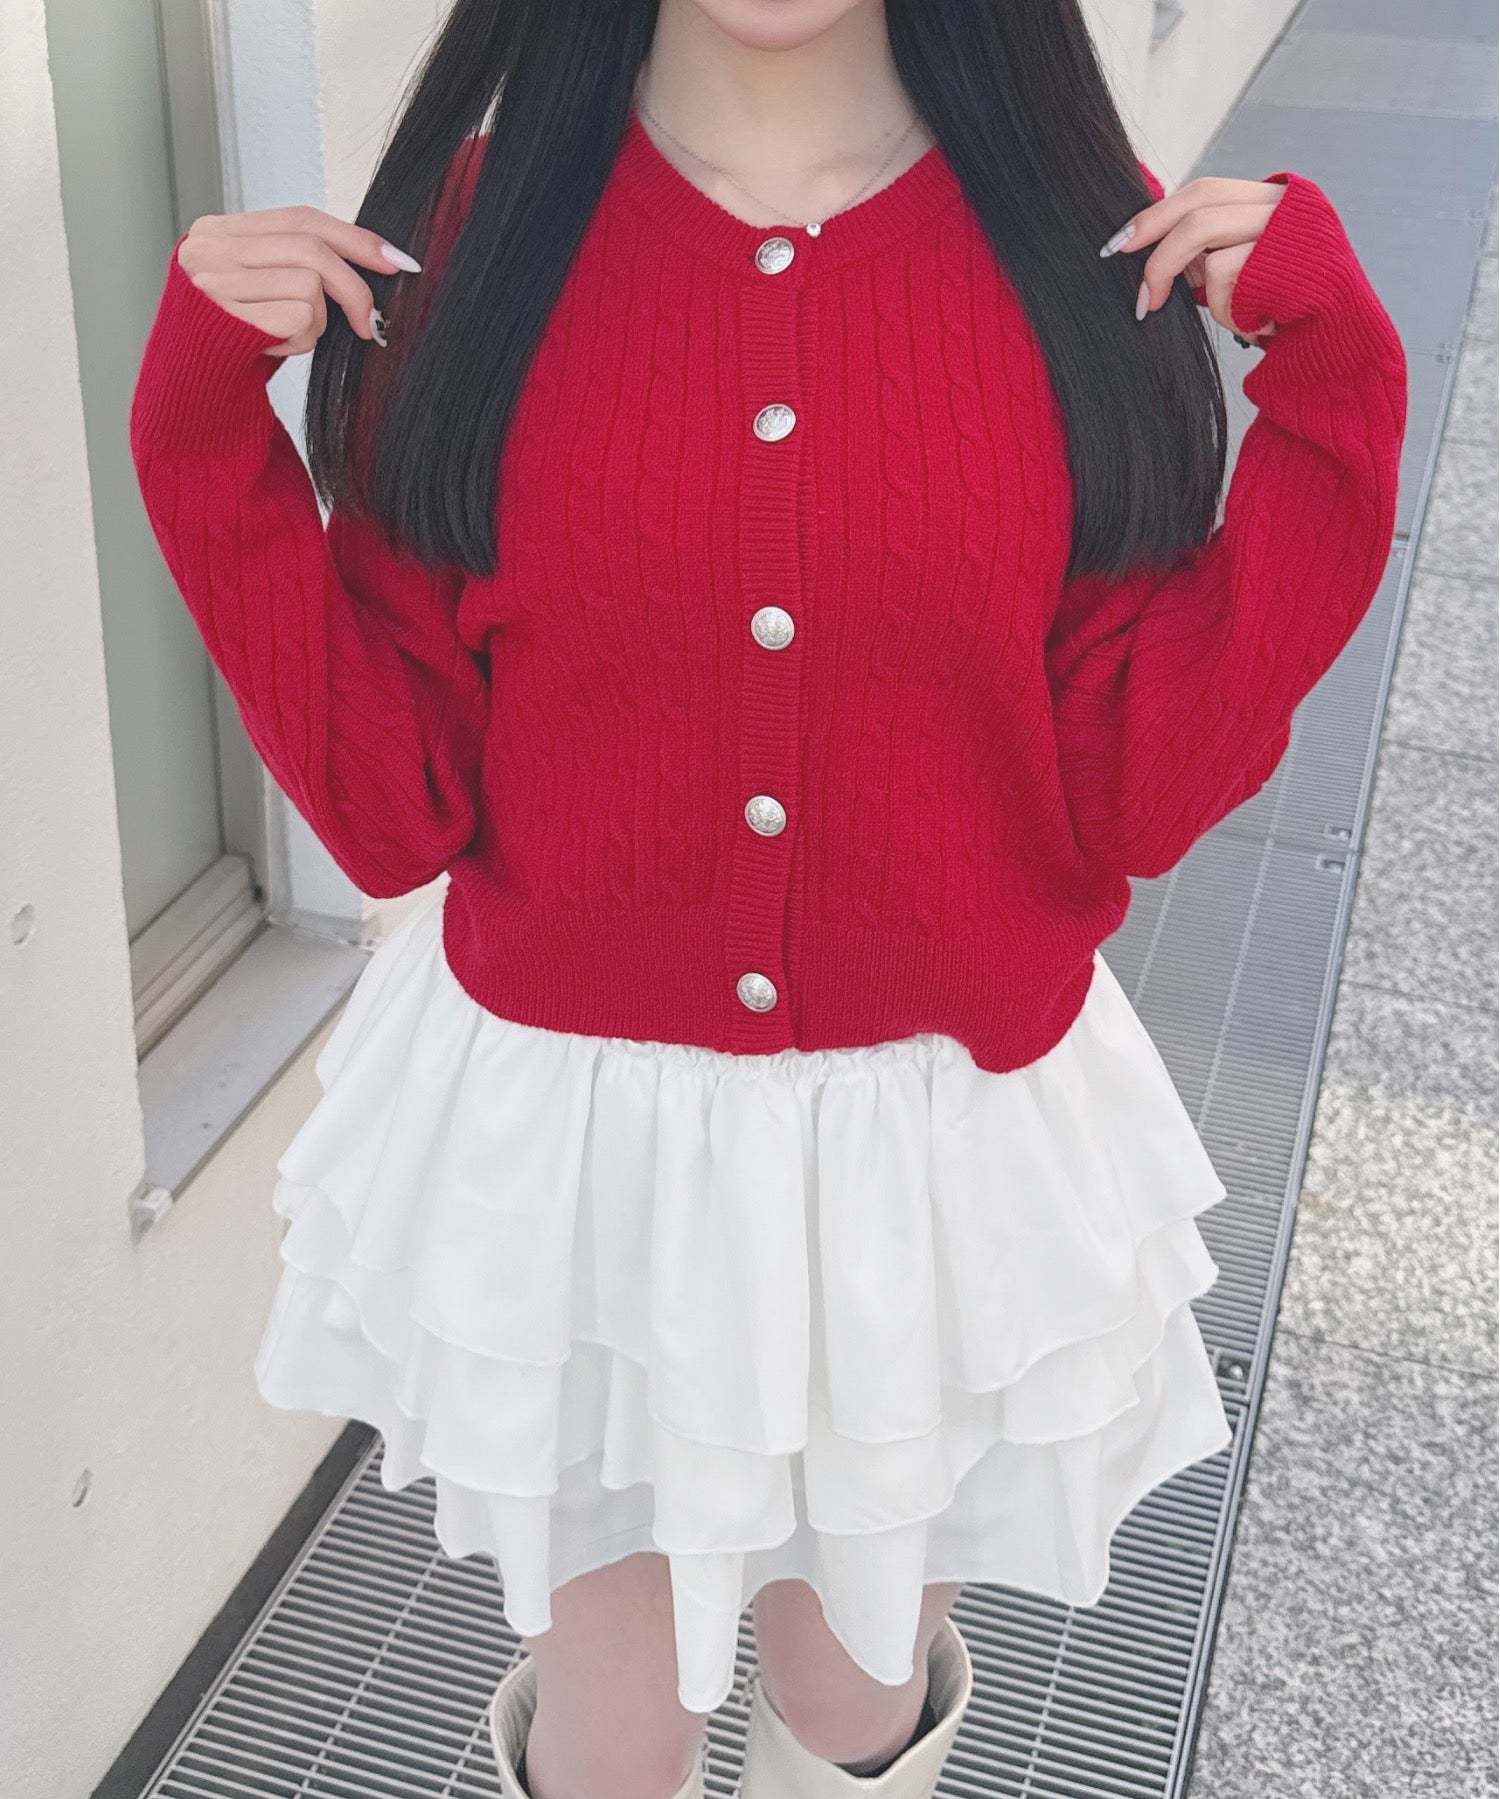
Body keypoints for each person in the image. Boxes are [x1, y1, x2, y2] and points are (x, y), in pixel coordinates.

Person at [127, 1, 1407, 1795]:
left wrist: (1337, 375)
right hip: (583, 1162)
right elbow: (391, 802)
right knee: (616, 1733)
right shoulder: (482, 236)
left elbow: (1145, 777)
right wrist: (200, 425)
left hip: (922, 1160)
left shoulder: (1070, 224)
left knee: (850, 1703)